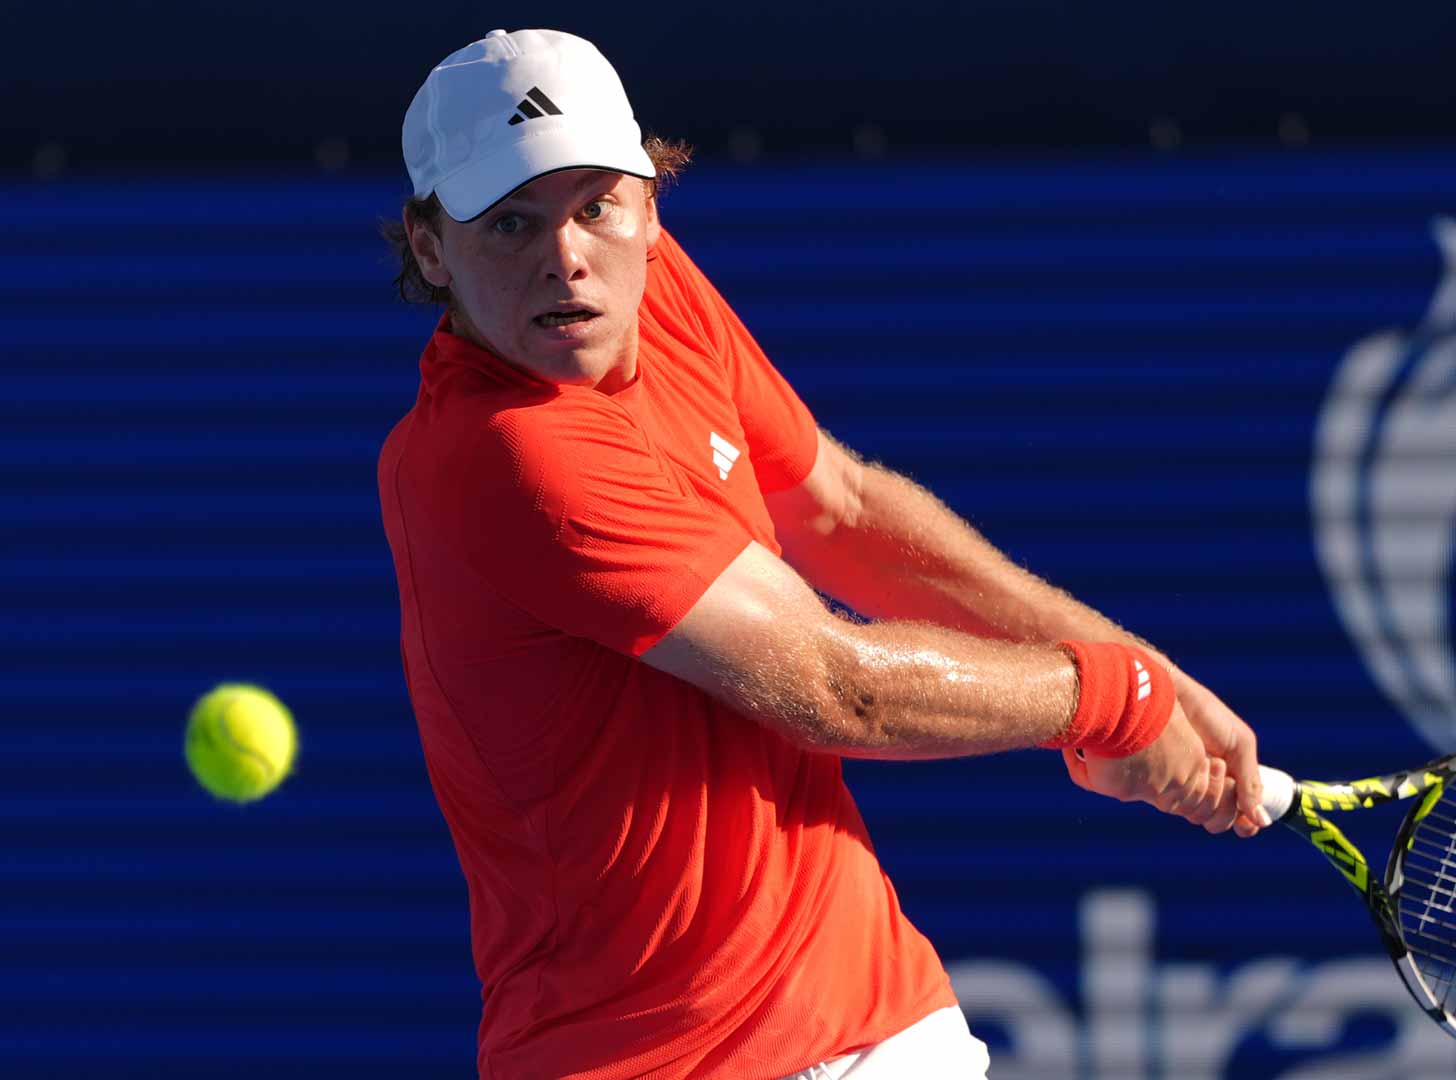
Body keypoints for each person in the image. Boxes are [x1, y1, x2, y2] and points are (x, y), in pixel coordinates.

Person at [376, 28, 1271, 1080]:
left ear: (650, 209)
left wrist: (1148, 673)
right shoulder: (507, 459)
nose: (564, 255)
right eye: (511, 222)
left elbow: (840, 509)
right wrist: (1115, 695)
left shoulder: (641, 296)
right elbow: (838, 690)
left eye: (594, 207)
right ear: (432, 250)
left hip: (878, 1015)